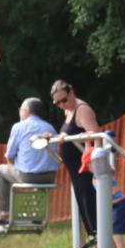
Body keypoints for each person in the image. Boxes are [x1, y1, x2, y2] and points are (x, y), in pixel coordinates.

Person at [0, 97, 58, 222]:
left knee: (0, 170)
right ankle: (37, 212)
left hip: (28, 176)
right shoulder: (50, 128)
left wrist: (15, 173)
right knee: (39, 167)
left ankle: (4, 212)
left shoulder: (19, 127)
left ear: (26, 110)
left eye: (20, 109)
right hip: (50, 176)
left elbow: (9, 155)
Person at [49, 80, 100, 235]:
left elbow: (96, 136)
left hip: (85, 169)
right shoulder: (68, 111)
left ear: (71, 91)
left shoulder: (82, 110)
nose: (62, 105)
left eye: (64, 100)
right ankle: (95, 243)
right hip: (76, 170)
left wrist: (96, 167)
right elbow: (72, 133)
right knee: (84, 208)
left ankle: (103, 245)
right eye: (57, 103)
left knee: (91, 207)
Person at [80, 145, 125, 248]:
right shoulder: (97, 177)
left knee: (115, 230)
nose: (88, 169)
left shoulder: (106, 173)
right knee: (110, 230)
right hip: (115, 206)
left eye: (88, 166)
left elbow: (110, 170)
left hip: (120, 205)